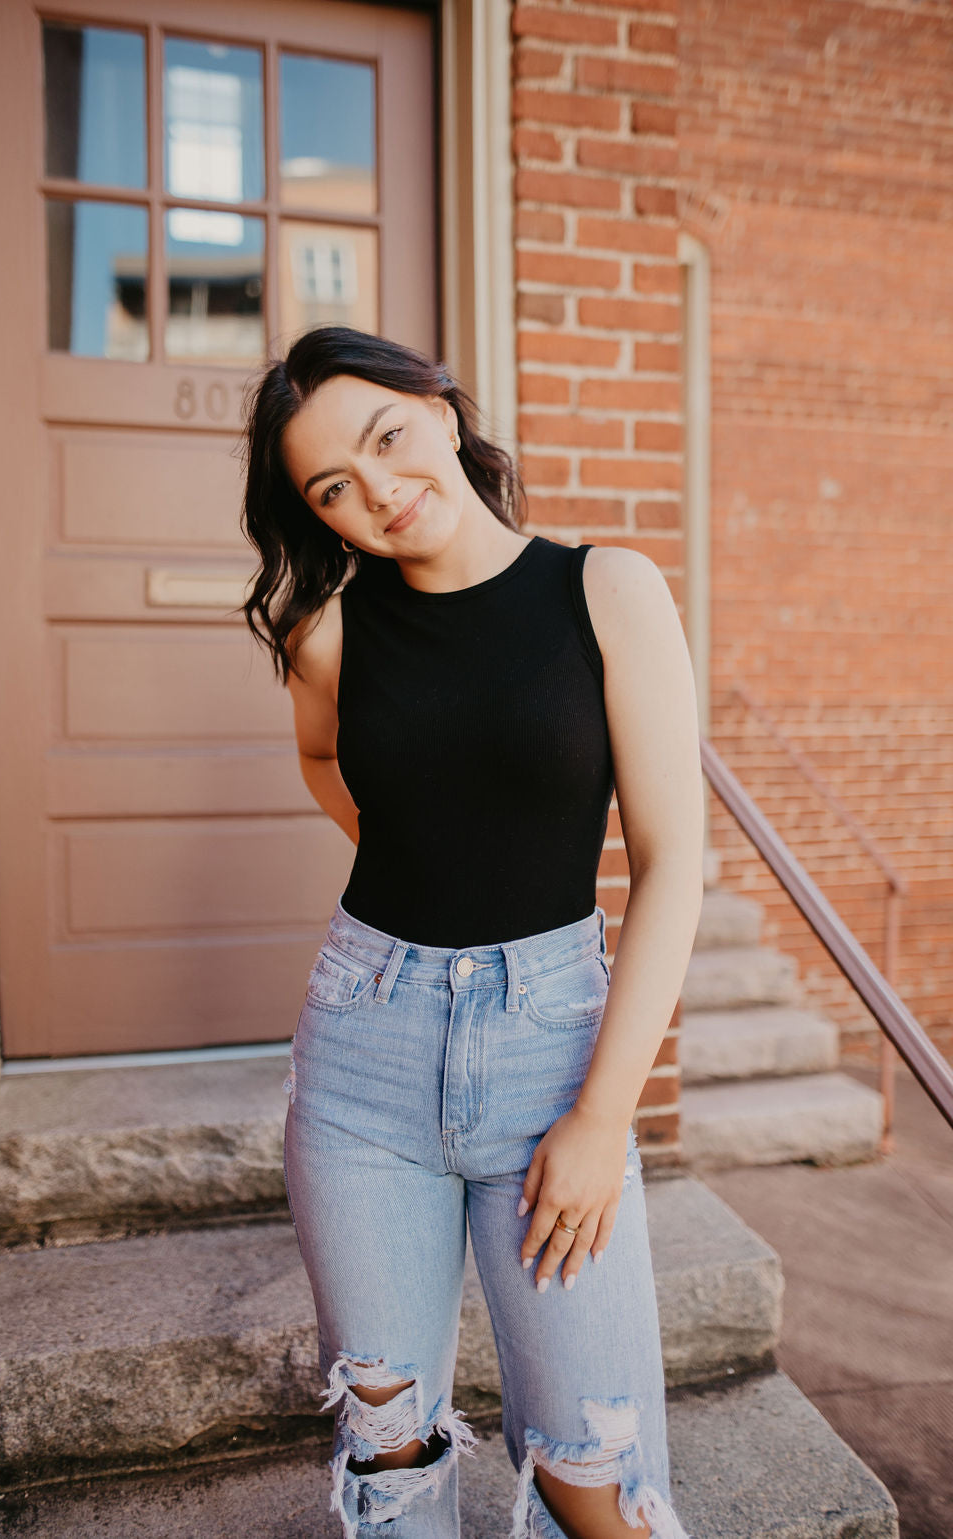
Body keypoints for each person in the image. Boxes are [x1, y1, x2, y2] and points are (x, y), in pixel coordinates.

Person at [238, 325, 703, 1539]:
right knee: (388, 1454)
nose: (378, 491)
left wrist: (603, 1115)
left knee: (594, 1467)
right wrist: (419, 842)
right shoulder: (328, 634)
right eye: (332, 487)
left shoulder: (605, 589)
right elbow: (324, 756)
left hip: (551, 1054)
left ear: (439, 409)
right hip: (361, 1062)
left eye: (387, 438)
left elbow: (670, 867)